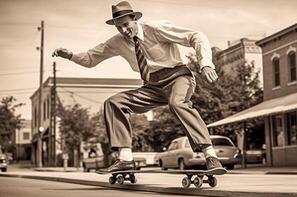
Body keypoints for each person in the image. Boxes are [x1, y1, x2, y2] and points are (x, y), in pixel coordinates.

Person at [53, 1, 226, 174]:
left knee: (176, 103)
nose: (124, 31)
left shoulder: (155, 29)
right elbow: (90, 59)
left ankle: (211, 156)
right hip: (152, 86)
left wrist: (206, 63)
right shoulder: (116, 42)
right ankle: (125, 158)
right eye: (119, 27)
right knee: (113, 103)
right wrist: (69, 56)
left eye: (126, 25)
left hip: (178, 77)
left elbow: (196, 36)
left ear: (134, 19)